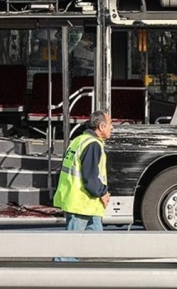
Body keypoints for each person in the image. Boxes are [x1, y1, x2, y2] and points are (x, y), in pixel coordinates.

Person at [53, 110, 112, 261]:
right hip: (82, 202)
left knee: (95, 244)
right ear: (101, 126)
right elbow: (90, 178)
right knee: (68, 252)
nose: (112, 128)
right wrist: (103, 193)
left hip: (86, 203)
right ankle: (56, 277)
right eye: (110, 124)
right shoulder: (92, 145)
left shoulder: (79, 140)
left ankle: (87, 277)